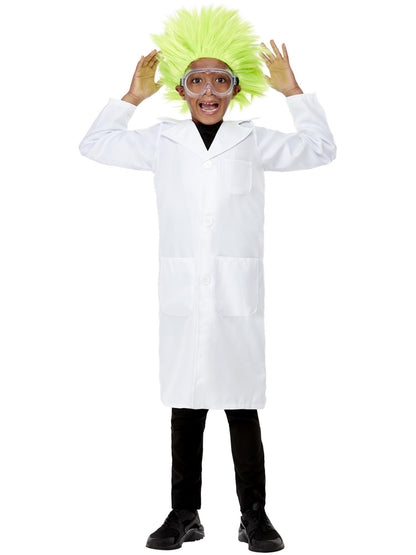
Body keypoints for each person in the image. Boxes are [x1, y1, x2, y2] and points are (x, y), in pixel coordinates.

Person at [78, 5, 336, 552]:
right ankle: (184, 514)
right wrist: (131, 98)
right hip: (183, 295)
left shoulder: (253, 140)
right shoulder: (161, 140)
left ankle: (254, 516)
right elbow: (94, 145)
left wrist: (293, 93)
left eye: (221, 79)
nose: (209, 90)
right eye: (197, 80)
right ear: (181, 89)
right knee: (186, 405)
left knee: (241, 405)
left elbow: (320, 150)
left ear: (237, 89)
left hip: (236, 296)